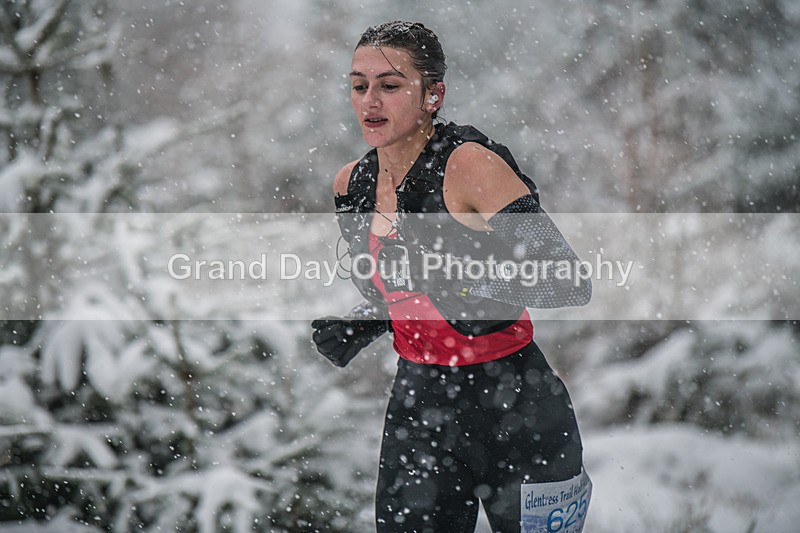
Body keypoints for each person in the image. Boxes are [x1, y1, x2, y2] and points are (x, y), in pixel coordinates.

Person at [312, 21, 592, 533]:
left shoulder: (469, 166)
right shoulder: (352, 184)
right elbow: (393, 284)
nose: (370, 100)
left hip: (515, 403)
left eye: (390, 85)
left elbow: (566, 280)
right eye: (359, 85)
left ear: (432, 95)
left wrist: (457, 278)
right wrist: (371, 319)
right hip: (420, 406)